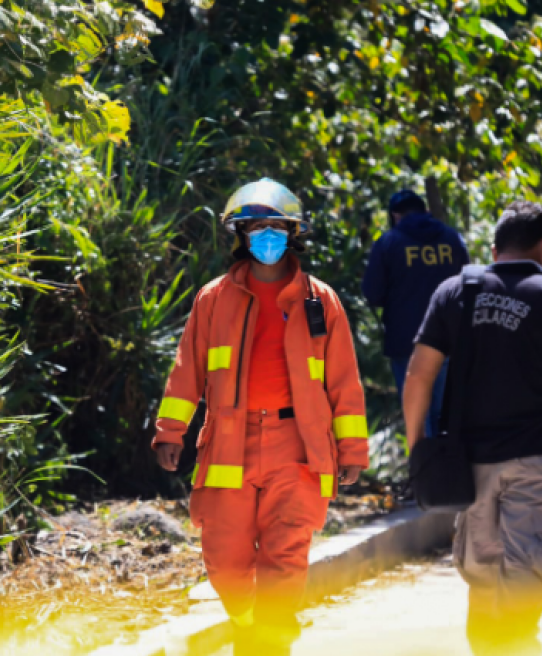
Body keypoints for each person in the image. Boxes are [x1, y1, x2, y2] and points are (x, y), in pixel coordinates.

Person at [151, 179, 369, 655]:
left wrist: (352, 449)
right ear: (241, 234)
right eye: (257, 227)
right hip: (230, 442)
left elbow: (344, 382)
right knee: (224, 559)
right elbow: (187, 369)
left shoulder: (320, 301)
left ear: (293, 233)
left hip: (298, 447)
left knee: (285, 556)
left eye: (276, 227)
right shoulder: (214, 299)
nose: (267, 236)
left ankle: (269, 639)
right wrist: (171, 431)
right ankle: (251, 625)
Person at [402, 201, 542, 655]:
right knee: (527, 575)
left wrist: (417, 446)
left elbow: (418, 374)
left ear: (494, 249)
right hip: (536, 462)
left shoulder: (455, 292)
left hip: (469, 465)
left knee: (481, 575)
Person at [362, 189, 469, 439]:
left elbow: (372, 294)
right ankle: (444, 472)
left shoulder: (388, 243)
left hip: (405, 342)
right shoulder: (452, 239)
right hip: (448, 340)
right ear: (426, 211)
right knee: (443, 410)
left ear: (395, 216)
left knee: (417, 413)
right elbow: (469, 286)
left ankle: (427, 473)